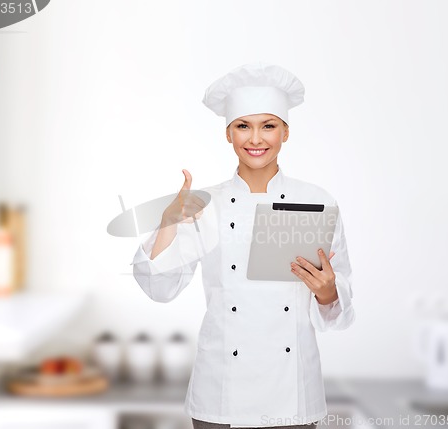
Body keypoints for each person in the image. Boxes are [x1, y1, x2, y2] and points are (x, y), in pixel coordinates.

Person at [132, 62, 355, 429]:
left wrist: (329, 293)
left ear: (285, 132)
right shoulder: (205, 205)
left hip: (292, 395)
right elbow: (160, 287)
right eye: (242, 126)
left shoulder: (318, 202)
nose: (255, 139)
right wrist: (168, 222)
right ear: (227, 134)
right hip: (221, 392)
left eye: (268, 126)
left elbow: (340, 308)